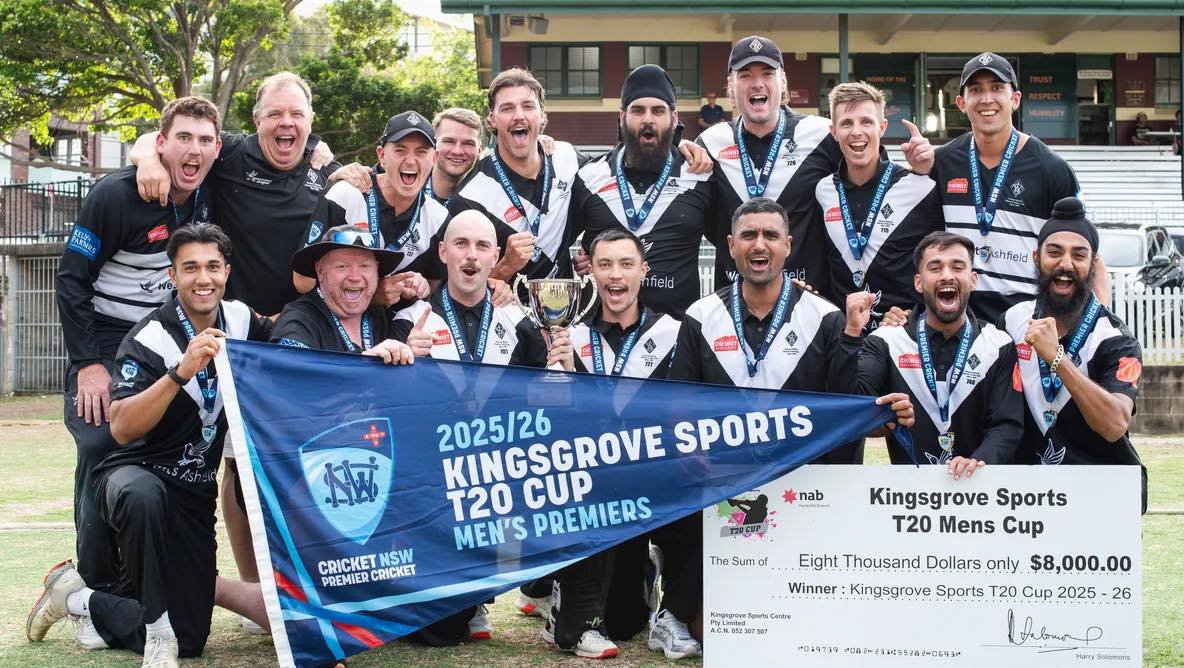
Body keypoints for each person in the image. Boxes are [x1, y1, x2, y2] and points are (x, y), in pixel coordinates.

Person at [663, 197, 914, 659]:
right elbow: (682, 403)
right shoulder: (701, 316)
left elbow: (842, 408)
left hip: (799, 485)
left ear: (788, 246)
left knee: (792, 633)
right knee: (714, 638)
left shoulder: (824, 316)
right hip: (725, 483)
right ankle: (675, 609)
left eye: (771, 235)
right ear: (731, 246)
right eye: (749, 235)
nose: (760, 245)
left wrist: (857, 346)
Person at [130, 73, 344, 600]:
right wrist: (148, 159)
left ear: (311, 126)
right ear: (256, 121)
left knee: (300, 455)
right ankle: (254, 586)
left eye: (296, 115)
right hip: (238, 335)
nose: (286, 123)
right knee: (235, 459)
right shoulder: (227, 155)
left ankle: (306, 579)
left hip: (300, 333)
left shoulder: (328, 171)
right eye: (275, 114)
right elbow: (156, 139)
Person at [28, 224, 272, 668]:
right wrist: (180, 371)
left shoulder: (241, 320)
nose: (204, 278)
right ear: (172, 275)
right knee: (145, 495)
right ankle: (157, 635)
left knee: (194, 637)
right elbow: (120, 429)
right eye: (191, 268)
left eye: (213, 267)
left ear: (227, 271)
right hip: (130, 475)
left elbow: (293, 343)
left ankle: (78, 599)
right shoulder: (149, 337)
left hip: (192, 493)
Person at [54, 95, 220, 598]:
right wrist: (87, 365)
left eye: (205, 140)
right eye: (182, 138)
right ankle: (91, 587)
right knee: (103, 441)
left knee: (170, 445)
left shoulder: (209, 182)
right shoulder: (115, 196)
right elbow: (70, 279)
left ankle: (142, 577)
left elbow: (284, 146)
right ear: (162, 141)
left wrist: (332, 166)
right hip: (106, 338)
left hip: (164, 338)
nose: (194, 150)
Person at [696, 35, 933, 296]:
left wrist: (921, 169)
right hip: (735, 298)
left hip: (809, 301)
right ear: (730, 85)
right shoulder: (710, 143)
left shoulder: (821, 134)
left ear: (783, 80)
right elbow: (699, 218)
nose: (757, 83)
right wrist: (680, 147)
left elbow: (869, 187)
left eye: (767, 73)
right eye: (745, 76)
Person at [539, 228, 681, 660]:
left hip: (647, 484)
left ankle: (644, 566)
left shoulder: (674, 333)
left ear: (644, 271)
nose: (615, 275)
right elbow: (549, 422)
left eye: (625, 264)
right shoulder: (568, 335)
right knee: (582, 630)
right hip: (587, 487)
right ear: (591, 274)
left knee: (626, 621)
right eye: (604, 265)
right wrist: (558, 381)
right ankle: (567, 602)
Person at [927, 53, 1096, 325]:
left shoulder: (1052, 169)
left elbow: (1088, 252)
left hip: (1027, 321)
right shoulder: (941, 163)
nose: (986, 99)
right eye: (976, 90)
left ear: (1015, 99)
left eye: (996, 88)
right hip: (958, 321)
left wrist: (1102, 327)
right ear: (961, 103)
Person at [1003, 197, 1147, 512]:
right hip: (1027, 499)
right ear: (1035, 258)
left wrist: (1058, 359)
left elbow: (1114, 425)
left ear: (1092, 265)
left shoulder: (1116, 341)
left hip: (1099, 493)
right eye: (1054, 252)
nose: (1065, 264)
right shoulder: (1013, 320)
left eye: (1078, 255)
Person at [858, 231, 1023, 472]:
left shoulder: (998, 345)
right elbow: (855, 411)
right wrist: (852, 333)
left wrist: (978, 461)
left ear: (973, 279)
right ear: (918, 282)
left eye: (958, 267)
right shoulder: (886, 341)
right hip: (906, 500)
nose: (947, 276)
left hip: (977, 490)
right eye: (935, 268)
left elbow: (1007, 424)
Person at [570, 64, 714, 316]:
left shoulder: (700, 175)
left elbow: (732, 245)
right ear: (622, 117)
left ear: (674, 119)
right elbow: (555, 245)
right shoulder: (589, 177)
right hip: (599, 339)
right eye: (638, 110)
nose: (648, 119)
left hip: (677, 339)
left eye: (658, 110)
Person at [815, 82, 942, 330]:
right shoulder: (824, 190)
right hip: (845, 337)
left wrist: (913, 316)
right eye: (846, 123)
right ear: (833, 131)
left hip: (900, 337)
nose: (856, 132)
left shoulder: (919, 187)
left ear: (882, 127)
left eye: (866, 122)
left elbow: (938, 263)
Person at [392, 210, 571, 370]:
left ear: (495, 257)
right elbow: (392, 400)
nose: (472, 255)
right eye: (461, 243)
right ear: (443, 252)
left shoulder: (522, 322)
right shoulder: (409, 321)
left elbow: (551, 398)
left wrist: (566, 368)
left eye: (482, 245)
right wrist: (406, 363)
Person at [297, 111, 445, 305]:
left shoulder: (439, 218)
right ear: (381, 155)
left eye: (421, 152)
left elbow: (435, 289)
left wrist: (420, 286)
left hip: (400, 328)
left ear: (434, 158)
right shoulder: (345, 195)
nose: (410, 160)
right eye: (400, 150)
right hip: (334, 324)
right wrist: (370, 295)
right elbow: (302, 281)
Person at [272, 225, 414, 362]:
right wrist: (366, 359)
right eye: (342, 266)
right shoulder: (298, 320)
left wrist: (412, 352)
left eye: (364, 266)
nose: (355, 277)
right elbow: (291, 369)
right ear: (320, 271)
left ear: (376, 270)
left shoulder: (384, 316)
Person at [429, 108, 484, 204]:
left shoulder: (486, 202)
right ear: (433, 144)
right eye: (449, 141)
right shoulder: (407, 190)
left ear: (479, 150)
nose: (457, 151)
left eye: (468, 143)